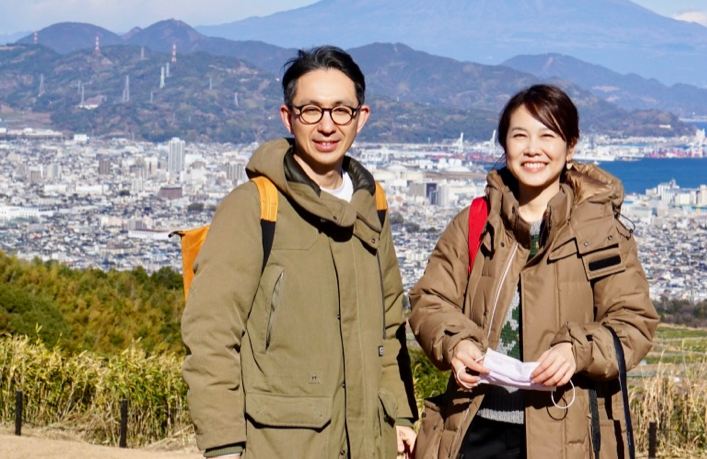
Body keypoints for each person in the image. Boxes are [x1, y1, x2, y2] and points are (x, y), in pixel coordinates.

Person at [182, 46, 418, 458]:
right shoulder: (254, 206)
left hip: (368, 444)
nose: (327, 124)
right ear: (287, 116)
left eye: (341, 110)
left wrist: (398, 415)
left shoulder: (372, 204)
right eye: (311, 110)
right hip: (278, 444)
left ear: (361, 117)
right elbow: (211, 335)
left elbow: (389, 325)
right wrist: (222, 444)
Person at [409, 85, 658, 458]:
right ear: (504, 144)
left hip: (568, 434)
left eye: (548, 135)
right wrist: (456, 343)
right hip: (473, 429)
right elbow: (429, 300)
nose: (532, 149)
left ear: (570, 145)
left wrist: (578, 350)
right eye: (519, 135)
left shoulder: (601, 232)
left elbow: (634, 322)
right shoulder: (476, 222)